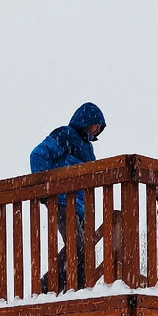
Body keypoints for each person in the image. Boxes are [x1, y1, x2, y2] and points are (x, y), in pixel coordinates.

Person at [30, 103, 106, 290]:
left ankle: (71, 289)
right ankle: (46, 287)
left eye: (99, 127)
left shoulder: (88, 148)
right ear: (86, 121)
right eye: (96, 125)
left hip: (81, 206)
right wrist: (46, 190)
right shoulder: (65, 135)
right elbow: (37, 155)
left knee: (84, 250)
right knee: (78, 247)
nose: (97, 130)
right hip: (62, 202)